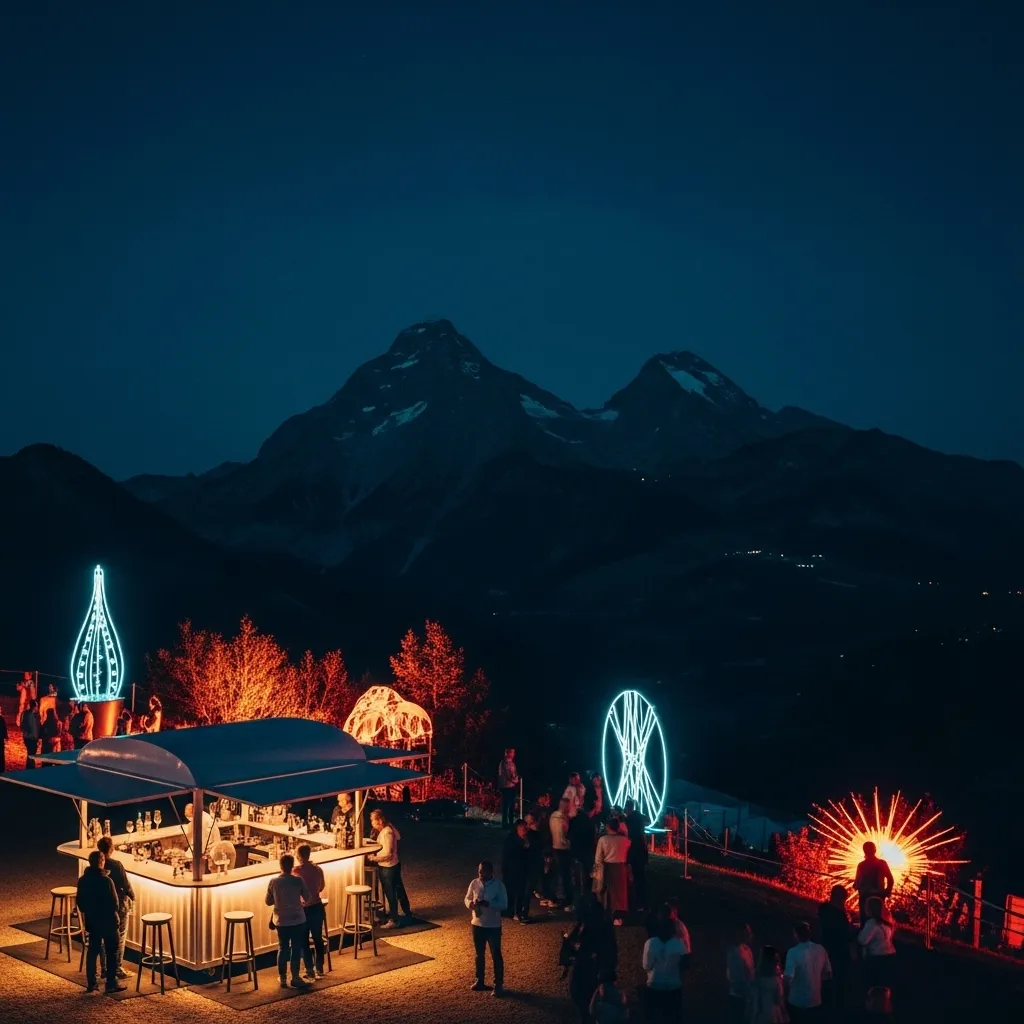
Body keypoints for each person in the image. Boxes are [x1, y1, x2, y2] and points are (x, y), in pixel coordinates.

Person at [76, 850, 126, 994]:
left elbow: (80, 904)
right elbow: (115, 904)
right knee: (112, 952)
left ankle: (91, 983)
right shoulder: (106, 881)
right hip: (108, 921)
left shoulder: (83, 880)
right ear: (102, 861)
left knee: (93, 951)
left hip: (93, 921)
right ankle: (111, 983)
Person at [566, 894, 617, 1022]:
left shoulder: (583, 930)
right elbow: (612, 953)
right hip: (599, 972)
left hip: (586, 973)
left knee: (587, 1007)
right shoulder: (605, 927)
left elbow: (571, 951)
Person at [265, 853, 312, 988]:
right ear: (292, 866)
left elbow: (268, 902)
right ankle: (295, 977)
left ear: (280, 866)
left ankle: (283, 978)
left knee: (283, 948)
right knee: (296, 948)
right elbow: (308, 897)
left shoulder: (273, 882)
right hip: (298, 919)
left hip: (281, 920)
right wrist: (299, 902)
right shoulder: (298, 881)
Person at [465, 859, 507, 996]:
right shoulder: (474, 883)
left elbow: (504, 905)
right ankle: (480, 980)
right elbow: (467, 898)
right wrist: (470, 904)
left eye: (483, 871)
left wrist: (488, 904)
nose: (480, 874)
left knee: (496, 955)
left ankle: (498, 985)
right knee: (479, 954)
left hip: (493, 925)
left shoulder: (499, 886)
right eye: (479, 871)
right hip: (477, 923)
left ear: (490, 872)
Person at [97, 835, 136, 979]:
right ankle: (117, 968)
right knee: (119, 936)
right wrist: (133, 897)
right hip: (118, 906)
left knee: (103, 937)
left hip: (101, 906)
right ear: (111, 848)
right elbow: (126, 886)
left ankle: (105, 968)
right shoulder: (116, 865)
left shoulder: (96, 865)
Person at [368, 808, 411, 927]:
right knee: (398, 889)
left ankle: (394, 919)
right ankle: (406, 912)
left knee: (391, 893)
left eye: (373, 820)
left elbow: (387, 854)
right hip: (393, 865)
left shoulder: (387, 833)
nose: (372, 823)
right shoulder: (388, 829)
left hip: (388, 866)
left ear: (380, 821)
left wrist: (373, 858)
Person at [642, 905, 685, 1022]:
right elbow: (683, 965)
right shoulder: (679, 944)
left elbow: (646, 966)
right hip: (674, 986)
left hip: (654, 985)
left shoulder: (650, 943)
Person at [783, 920, 832, 1021]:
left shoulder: (793, 952)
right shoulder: (821, 949)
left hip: (797, 1001)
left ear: (796, 934)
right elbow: (828, 974)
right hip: (816, 1000)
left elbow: (788, 978)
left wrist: (783, 995)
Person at [294, 843, 327, 979]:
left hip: (303, 910)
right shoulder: (318, 869)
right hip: (317, 907)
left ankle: (309, 970)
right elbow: (321, 887)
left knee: (303, 941)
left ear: (298, 856)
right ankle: (319, 967)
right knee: (318, 939)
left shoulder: (295, 871)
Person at [818, 884, 853, 1010]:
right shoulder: (840, 915)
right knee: (840, 980)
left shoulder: (823, 909)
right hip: (839, 951)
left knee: (826, 979)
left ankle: (826, 1003)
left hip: (825, 948)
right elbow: (846, 935)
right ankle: (838, 1007)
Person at [594, 816, 631, 925]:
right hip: (621, 868)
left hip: (608, 867)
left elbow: (598, 857)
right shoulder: (625, 840)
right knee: (620, 893)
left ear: (607, 827)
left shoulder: (603, 840)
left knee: (608, 892)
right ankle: (619, 915)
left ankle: (607, 913)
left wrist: (597, 870)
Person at [858, 897, 896, 993]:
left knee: (875, 989)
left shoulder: (872, 923)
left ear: (869, 909)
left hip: (877, 960)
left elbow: (862, 940)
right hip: (890, 957)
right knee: (885, 988)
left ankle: (876, 1006)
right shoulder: (886, 923)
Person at [854, 842, 894, 925]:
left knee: (865, 921)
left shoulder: (861, 865)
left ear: (864, 851)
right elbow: (890, 879)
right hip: (878, 897)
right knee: (878, 921)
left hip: (865, 897)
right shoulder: (882, 863)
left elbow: (857, 882)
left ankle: (864, 936)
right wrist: (887, 892)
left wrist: (858, 887)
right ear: (875, 850)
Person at [501, 819, 532, 922]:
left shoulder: (525, 839)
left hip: (522, 870)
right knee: (512, 892)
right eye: (523, 828)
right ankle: (512, 912)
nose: (525, 830)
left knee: (520, 892)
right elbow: (509, 858)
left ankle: (516, 911)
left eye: (525, 827)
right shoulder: (512, 841)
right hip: (512, 871)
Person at [748, 945, 788, 1024]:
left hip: (760, 1013)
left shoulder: (755, 978)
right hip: (773, 1013)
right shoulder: (775, 981)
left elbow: (753, 998)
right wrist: (784, 1013)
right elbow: (778, 1000)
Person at [725, 923, 756, 1021]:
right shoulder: (733, 953)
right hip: (739, 999)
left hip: (747, 997)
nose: (750, 934)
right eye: (747, 932)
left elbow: (751, 972)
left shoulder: (747, 949)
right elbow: (737, 980)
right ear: (740, 934)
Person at [624, 799, 649, 911]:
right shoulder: (640, 817)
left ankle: (636, 901)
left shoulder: (628, 820)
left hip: (633, 849)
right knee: (641, 876)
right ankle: (642, 901)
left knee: (634, 875)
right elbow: (643, 833)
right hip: (640, 849)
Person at [549, 796, 573, 908]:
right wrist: (569, 845)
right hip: (562, 849)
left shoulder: (553, 816)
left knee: (557, 873)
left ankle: (554, 897)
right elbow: (562, 837)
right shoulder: (562, 818)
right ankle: (564, 899)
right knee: (564, 874)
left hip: (554, 847)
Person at [498, 747, 519, 828]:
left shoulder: (511, 763)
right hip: (507, 787)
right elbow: (507, 775)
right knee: (507, 805)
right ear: (508, 753)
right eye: (512, 752)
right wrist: (514, 781)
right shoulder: (504, 763)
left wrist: (516, 779)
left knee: (511, 805)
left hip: (511, 786)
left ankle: (510, 822)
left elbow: (514, 773)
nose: (513, 754)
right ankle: (505, 823)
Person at [20, 698, 41, 768]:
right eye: (37, 706)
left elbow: (22, 725)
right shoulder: (31, 715)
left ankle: (29, 767)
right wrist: (36, 738)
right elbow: (33, 728)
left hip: (26, 737)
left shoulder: (24, 713)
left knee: (30, 753)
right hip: (31, 738)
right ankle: (30, 768)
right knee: (32, 755)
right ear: (35, 706)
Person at [0, 705, 8, 772]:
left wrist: (6, 736)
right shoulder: (1, 718)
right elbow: (4, 729)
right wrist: (5, 736)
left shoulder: (1, 718)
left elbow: (4, 728)